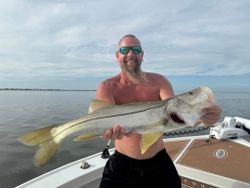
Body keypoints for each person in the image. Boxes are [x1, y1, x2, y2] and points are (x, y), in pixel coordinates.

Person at [96, 34, 221, 188]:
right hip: (122, 163)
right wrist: (108, 130)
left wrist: (203, 117)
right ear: (117, 55)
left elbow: (174, 114)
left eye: (136, 49)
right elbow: (104, 121)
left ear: (142, 55)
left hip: (158, 160)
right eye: (125, 50)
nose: (130, 54)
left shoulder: (159, 81)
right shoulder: (107, 86)